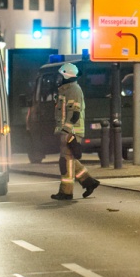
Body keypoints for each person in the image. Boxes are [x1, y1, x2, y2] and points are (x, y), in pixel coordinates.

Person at [51, 63, 100, 200]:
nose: (58, 78)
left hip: (71, 131)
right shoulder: (66, 90)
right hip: (68, 130)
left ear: (66, 75)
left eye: (60, 75)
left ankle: (66, 192)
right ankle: (89, 182)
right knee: (70, 159)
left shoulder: (73, 90)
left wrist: (66, 131)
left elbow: (74, 114)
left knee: (65, 162)